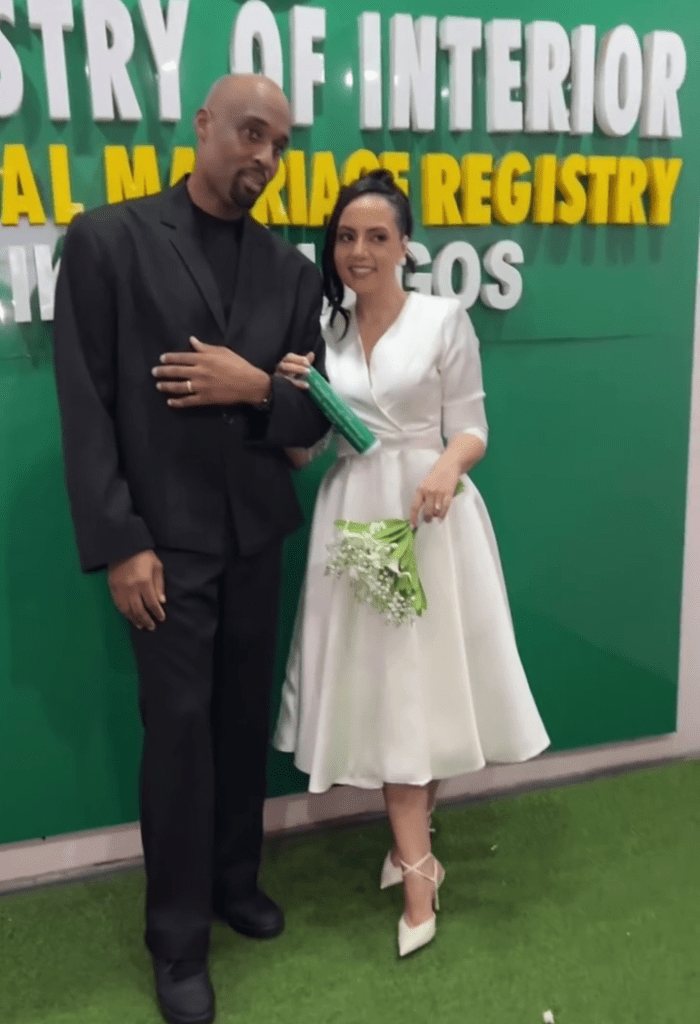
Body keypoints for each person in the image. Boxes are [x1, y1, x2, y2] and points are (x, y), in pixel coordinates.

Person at [52, 74, 329, 1024]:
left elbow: (307, 414)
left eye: (280, 145)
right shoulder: (107, 241)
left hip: (257, 538)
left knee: (240, 723)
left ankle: (232, 884)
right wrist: (120, 542)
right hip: (162, 549)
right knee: (177, 740)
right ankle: (176, 940)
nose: (263, 156)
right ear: (202, 126)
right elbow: (85, 408)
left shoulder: (293, 273)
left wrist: (253, 385)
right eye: (250, 133)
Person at [271, 170, 551, 957]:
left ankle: (417, 869)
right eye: (346, 237)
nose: (359, 251)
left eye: (377, 237)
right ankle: (412, 848)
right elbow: (307, 448)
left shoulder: (442, 320)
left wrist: (444, 468)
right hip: (353, 520)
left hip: (431, 519)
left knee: (422, 683)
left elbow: (471, 427)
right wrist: (286, 396)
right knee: (389, 685)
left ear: (404, 246)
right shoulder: (321, 330)